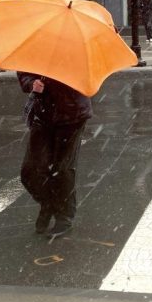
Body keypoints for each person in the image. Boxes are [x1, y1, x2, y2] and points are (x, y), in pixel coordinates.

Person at [18, 73, 92, 237]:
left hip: (72, 114)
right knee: (30, 171)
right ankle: (49, 204)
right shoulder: (34, 49)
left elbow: (89, 81)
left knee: (62, 169)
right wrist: (32, 84)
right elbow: (24, 73)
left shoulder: (76, 51)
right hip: (42, 115)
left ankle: (64, 217)